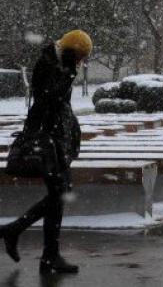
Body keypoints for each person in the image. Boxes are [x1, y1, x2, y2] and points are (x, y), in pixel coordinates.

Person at [0, 30, 92, 273]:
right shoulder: (50, 63)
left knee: (59, 196)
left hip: (56, 141)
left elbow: (59, 104)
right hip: (47, 141)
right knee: (60, 194)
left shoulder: (57, 62)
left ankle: (48, 255)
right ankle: (18, 233)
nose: (80, 62)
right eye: (80, 56)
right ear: (71, 51)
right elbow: (48, 99)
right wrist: (68, 74)